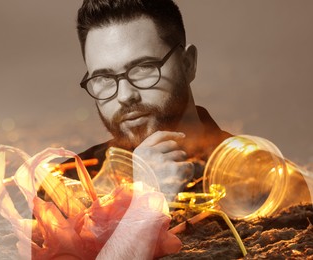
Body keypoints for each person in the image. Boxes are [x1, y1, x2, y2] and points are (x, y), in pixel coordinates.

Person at [59, 0, 231, 196]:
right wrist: (147, 203)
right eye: (104, 78)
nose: (125, 96)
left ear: (187, 64)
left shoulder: (257, 174)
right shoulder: (65, 187)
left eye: (144, 68)